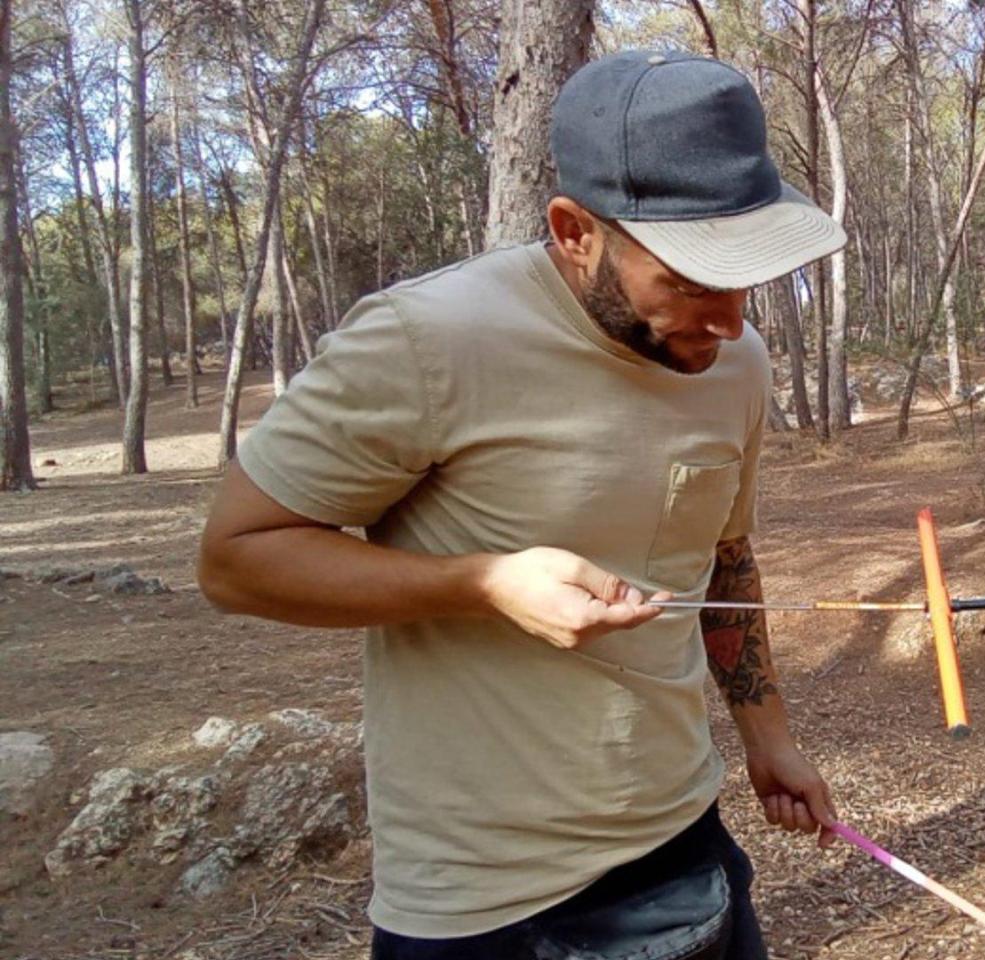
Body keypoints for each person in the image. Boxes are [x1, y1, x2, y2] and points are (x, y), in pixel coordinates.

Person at [197, 50, 847, 959]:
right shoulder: (428, 339)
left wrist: (767, 734)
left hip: (681, 836)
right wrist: (486, 584)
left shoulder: (734, 363)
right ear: (576, 229)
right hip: (483, 897)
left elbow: (725, 554)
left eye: (746, 275)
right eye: (692, 279)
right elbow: (234, 558)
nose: (730, 318)